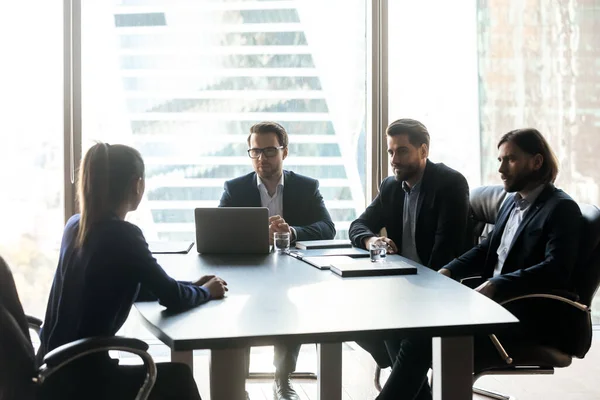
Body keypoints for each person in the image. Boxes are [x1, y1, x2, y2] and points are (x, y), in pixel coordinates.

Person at [378, 128, 582, 400]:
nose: (501, 169)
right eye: (499, 160)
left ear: (536, 162)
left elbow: (556, 269)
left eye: (510, 160)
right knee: (398, 323)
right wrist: (448, 270)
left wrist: (498, 285)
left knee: (419, 336)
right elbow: (487, 248)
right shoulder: (512, 202)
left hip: (527, 313)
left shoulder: (561, 208)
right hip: (488, 305)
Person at [38, 143, 228, 400]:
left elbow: (126, 284)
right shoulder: (123, 236)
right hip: (82, 382)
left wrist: (193, 286)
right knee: (179, 379)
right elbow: (172, 297)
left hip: (52, 370)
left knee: (175, 377)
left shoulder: (76, 225)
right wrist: (206, 292)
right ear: (137, 184)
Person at [219, 121, 335, 400]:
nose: (262, 158)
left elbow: (327, 228)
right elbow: (220, 229)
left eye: (270, 151)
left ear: (285, 152)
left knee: (288, 310)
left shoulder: (306, 187)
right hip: (248, 271)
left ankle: (282, 379)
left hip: (293, 270)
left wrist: (292, 231)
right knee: (235, 313)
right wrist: (257, 233)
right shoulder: (235, 189)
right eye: (255, 151)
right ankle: (236, 383)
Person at [348, 118, 470, 371]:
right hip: (401, 285)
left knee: (393, 326)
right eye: (391, 152)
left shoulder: (449, 184)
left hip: (438, 286)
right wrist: (372, 240)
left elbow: (446, 250)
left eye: (402, 151)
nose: (393, 160)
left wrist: (407, 292)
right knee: (348, 315)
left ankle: (405, 375)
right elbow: (357, 225)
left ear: (423, 151)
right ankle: (407, 377)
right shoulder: (391, 186)